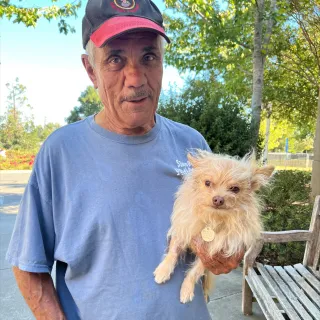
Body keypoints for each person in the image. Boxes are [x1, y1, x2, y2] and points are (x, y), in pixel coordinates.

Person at [6, 0, 243, 319]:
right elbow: (28, 265)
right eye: (115, 59)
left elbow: (223, 229)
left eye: (149, 57)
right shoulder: (60, 152)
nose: (135, 78)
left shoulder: (193, 146)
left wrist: (227, 249)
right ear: (91, 70)